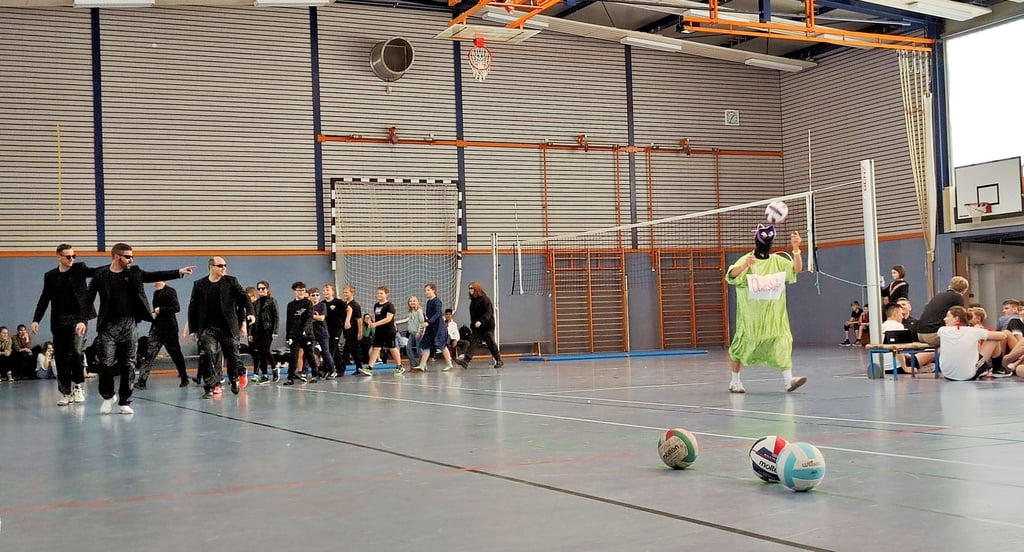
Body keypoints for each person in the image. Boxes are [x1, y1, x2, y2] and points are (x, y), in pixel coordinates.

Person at [85, 243, 194, 414]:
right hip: (107, 326)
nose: (131, 259)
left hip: (129, 324)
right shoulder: (100, 275)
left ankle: (124, 401)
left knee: (128, 364)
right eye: (127, 256)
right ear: (116, 257)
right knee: (104, 364)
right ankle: (108, 396)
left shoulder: (134, 273)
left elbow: (154, 275)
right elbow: (87, 299)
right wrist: (81, 321)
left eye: (132, 256)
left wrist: (179, 272)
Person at [724, 224, 806, 394]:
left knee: (783, 341)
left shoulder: (777, 261)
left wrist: (796, 249)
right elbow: (731, 275)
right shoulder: (747, 259)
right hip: (751, 318)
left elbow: (796, 269)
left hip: (775, 318)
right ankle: (735, 381)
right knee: (741, 347)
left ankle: (788, 380)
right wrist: (745, 265)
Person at [31, 243, 96, 405]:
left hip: (79, 320)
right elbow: (44, 298)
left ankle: (77, 387)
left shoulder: (79, 269)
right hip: (59, 321)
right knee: (60, 357)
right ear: (58, 256)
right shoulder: (50, 276)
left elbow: (96, 271)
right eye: (68, 256)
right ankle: (65, 392)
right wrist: (36, 319)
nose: (72, 259)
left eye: (74, 256)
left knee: (76, 351)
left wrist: (115, 264)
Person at [187, 256, 255, 398]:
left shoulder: (231, 281)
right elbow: (193, 307)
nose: (224, 268)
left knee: (232, 355)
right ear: (212, 267)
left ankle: (237, 376)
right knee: (209, 353)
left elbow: (244, 298)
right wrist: (193, 329)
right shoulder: (199, 285)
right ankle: (211, 386)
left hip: (227, 327)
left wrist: (250, 313)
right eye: (220, 266)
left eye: (225, 265)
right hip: (208, 328)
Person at [135, 281, 189, 389]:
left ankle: (184, 377)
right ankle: (142, 381)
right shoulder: (156, 293)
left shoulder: (170, 291)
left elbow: (176, 307)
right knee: (149, 354)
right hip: (156, 329)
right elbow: (156, 310)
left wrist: (161, 310)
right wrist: (153, 314)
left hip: (169, 329)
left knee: (176, 355)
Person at [937, 306, 1006, 381]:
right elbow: (1003, 336)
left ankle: (984, 368)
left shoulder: (942, 330)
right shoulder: (974, 331)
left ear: (956, 319)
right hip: (969, 375)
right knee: (994, 340)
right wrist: (981, 332)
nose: (944, 319)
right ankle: (997, 369)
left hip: (947, 375)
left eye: (947, 316)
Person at [454, 281, 503, 369]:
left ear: (476, 289)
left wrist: (481, 321)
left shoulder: (485, 300)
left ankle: (499, 360)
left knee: (490, 343)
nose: (470, 290)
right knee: (473, 343)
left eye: (472, 288)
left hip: (487, 326)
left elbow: (489, 313)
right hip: (477, 328)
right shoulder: (473, 301)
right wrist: (473, 325)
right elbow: (473, 316)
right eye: (469, 288)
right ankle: (466, 361)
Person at [915, 276, 969, 347]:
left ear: (950, 286)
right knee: (965, 339)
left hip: (920, 333)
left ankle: (918, 358)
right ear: (964, 290)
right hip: (933, 334)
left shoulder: (938, 295)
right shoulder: (957, 297)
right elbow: (961, 317)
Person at [411, 283, 453, 373]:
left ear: (433, 290)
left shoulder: (437, 301)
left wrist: (428, 322)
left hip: (438, 327)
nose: (426, 292)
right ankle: (422, 365)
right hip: (431, 327)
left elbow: (438, 314)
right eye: (425, 291)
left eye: (428, 290)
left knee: (441, 345)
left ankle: (449, 363)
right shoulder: (429, 302)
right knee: (426, 345)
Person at [283, 281, 318, 385]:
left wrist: (305, 330)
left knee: (309, 354)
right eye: (299, 290)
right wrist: (288, 336)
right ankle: (290, 377)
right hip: (294, 335)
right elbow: (289, 321)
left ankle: (315, 374)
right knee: (293, 356)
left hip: (307, 335)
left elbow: (309, 318)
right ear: (294, 291)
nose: (301, 292)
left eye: (303, 290)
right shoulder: (290, 305)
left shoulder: (308, 303)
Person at [365, 286, 402, 375]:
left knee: (392, 348)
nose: (379, 295)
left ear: (386, 295)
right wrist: (370, 322)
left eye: (381, 293)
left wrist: (376, 324)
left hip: (389, 331)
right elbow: (378, 318)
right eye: (378, 293)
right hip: (379, 331)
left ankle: (399, 366)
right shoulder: (376, 305)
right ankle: (369, 368)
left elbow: (388, 319)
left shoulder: (389, 306)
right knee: (376, 348)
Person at [252, 280, 279, 384]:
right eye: (259, 289)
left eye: (263, 288)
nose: (261, 290)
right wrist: (251, 333)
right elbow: (253, 318)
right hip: (258, 330)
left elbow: (276, 316)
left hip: (268, 330)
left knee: (265, 350)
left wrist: (275, 330)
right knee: (260, 352)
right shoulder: (256, 303)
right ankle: (265, 374)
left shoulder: (272, 301)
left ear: (267, 289)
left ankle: (275, 369)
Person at [333, 285, 364, 377]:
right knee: (354, 351)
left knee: (346, 350)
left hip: (353, 331)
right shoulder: (345, 304)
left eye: (347, 292)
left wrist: (360, 332)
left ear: (352, 293)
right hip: (346, 331)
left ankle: (341, 370)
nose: (345, 294)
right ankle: (359, 367)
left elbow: (359, 319)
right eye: (344, 292)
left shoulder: (355, 305)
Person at [309, 287, 336, 379]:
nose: (315, 297)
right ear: (309, 297)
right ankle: (315, 370)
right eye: (313, 295)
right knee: (310, 351)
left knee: (325, 352)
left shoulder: (322, 305)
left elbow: (322, 318)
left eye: (317, 295)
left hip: (322, 332)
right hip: (312, 332)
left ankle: (332, 370)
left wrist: (313, 316)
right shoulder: (308, 306)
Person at [321, 284, 345, 376]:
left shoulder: (338, 302)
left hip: (336, 329)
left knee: (330, 349)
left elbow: (349, 309)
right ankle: (340, 369)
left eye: (327, 290)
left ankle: (327, 369)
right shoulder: (323, 303)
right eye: (324, 290)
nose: (325, 292)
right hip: (327, 329)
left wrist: (347, 321)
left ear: (332, 292)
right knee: (335, 351)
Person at [395, 295, 424, 365]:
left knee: (419, 349)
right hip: (412, 333)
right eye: (410, 301)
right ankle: (413, 364)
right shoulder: (411, 312)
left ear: (417, 302)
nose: (412, 302)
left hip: (418, 333)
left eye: (414, 301)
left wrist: (419, 332)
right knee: (408, 348)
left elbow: (422, 323)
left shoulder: (419, 311)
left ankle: (422, 364)